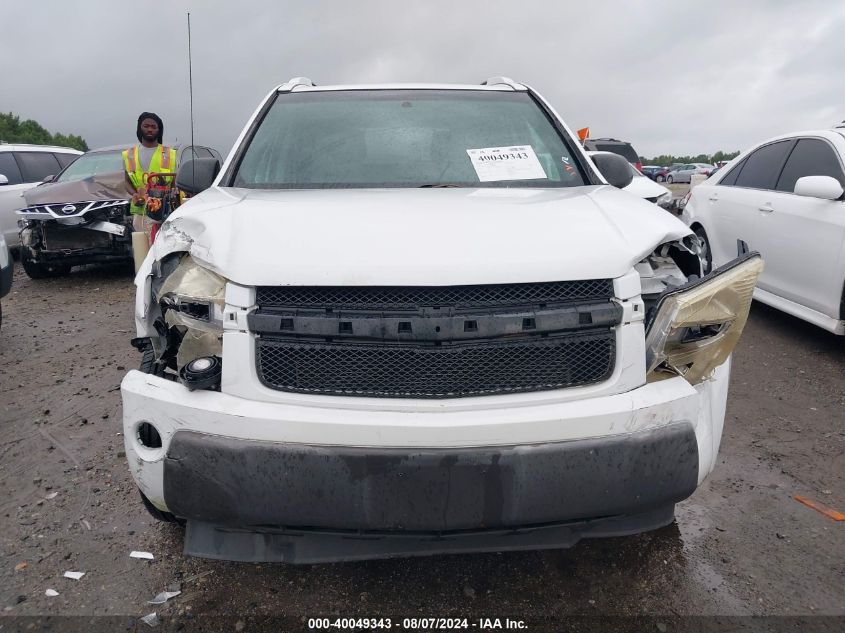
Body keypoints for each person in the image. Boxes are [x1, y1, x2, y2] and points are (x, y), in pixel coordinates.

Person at [122, 112, 177, 229]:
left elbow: (175, 183)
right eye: (146, 126)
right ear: (139, 128)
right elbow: (126, 181)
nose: (150, 129)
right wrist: (134, 194)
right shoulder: (129, 155)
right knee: (141, 246)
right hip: (140, 211)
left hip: (164, 212)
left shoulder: (170, 154)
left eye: (154, 127)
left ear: (159, 130)